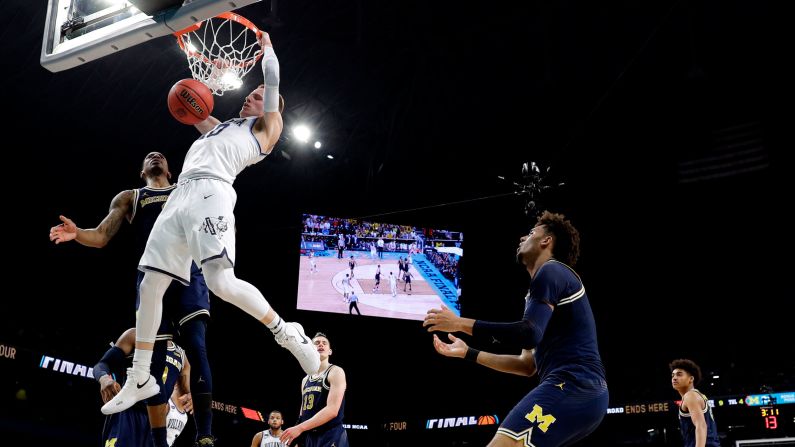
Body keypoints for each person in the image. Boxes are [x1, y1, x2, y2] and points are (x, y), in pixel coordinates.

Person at [100, 31, 320, 418]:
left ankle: (287, 333)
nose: (250, 96)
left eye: (257, 95)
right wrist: (208, 76)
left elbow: (272, 79)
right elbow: (193, 109)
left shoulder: (265, 129)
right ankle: (139, 377)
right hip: (180, 194)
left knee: (220, 282)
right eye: (250, 93)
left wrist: (266, 46)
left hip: (212, 193)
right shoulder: (222, 126)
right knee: (150, 283)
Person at [49, 151, 218, 446]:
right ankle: (158, 441)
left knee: (197, 345)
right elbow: (101, 236)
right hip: (154, 276)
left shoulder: (185, 188)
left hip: (189, 273)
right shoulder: (131, 197)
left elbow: (214, 221)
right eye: (149, 157)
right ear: (143, 171)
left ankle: (205, 435)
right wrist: (78, 234)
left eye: (161, 156)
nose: (155, 156)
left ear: (169, 168)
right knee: (151, 365)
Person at [424, 211, 608, 447]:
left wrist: (460, 323)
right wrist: (468, 352)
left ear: (546, 241)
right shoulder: (538, 295)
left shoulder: (551, 270)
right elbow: (526, 365)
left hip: (574, 385)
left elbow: (529, 332)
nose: (523, 237)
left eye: (531, 232)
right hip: (586, 395)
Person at [94, 328, 192, 447]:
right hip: (128, 411)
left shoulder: (182, 356)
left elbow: (186, 394)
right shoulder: (136, 334)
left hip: (157, 423)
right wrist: (105, 379)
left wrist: (192, 398)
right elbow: (102, 364)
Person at [280, 333, 348, 447]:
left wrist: (299, 428)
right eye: (316, 343)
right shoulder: (305, 380)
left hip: (331, 434)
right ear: (310, 350)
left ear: (330, 351)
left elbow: (332, 410)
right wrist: (296, 435)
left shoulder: (336, 371)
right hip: (310, 435)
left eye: (324, 343)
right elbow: (302, 413)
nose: (321, 344)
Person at [670, 359, 720, 447]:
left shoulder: (691, 395)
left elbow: (701, 425)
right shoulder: (698, 395)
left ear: (691, 379)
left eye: (679, 374)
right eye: (673, 375)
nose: (674, 378)